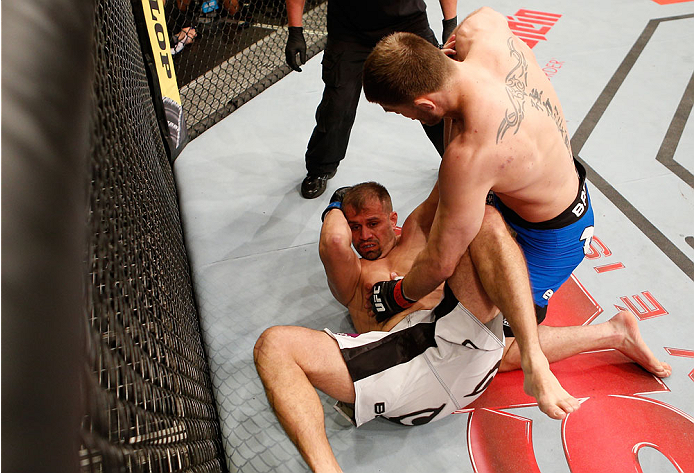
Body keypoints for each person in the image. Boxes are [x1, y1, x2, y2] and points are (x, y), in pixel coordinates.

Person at [253, 183, 671, 473]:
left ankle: (612, 334)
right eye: (355, 224)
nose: (364, 235)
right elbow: (332, 243)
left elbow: (452, 181)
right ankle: (598, 338)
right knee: (275, 343)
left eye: (373, 223)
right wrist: (335, 205)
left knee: (474, 216)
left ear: (394, 218)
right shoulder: (356, 276)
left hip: (466, 348)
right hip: (411, 365)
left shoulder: (416, 233)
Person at [284, 0, 459, 199]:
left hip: (407, 22)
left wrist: (450, 23)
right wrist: (295, 30)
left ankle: (457, 160)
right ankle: (320, 168)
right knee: (338, 103)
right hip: (349, 29)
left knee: (432, 94)